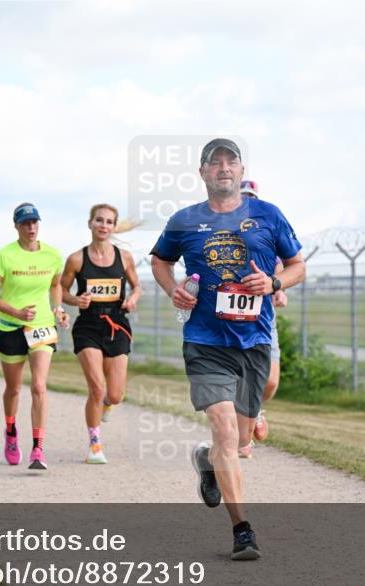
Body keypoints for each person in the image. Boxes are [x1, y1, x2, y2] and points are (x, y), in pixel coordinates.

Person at [150, 138, 305, 560]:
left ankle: (207, 460)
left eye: (230, 161)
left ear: (240, 171)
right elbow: (160, 261)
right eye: (213, 162)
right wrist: (173, 289)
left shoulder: (268, 215)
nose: (223, 168)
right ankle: (242, 530)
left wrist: (274, 283)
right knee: (222, 428)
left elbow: (297, 266)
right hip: (205, 341)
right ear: (202, 173)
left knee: (235, 441)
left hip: (254, 340)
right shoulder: (184, 220)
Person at [0, 203, 69, 470]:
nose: (31, 227)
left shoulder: (53, 255)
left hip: (41, 327)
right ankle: (10, 433)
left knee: (39, 386)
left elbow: (56, 285)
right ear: (16, 226)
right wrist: (16, 311)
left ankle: (38, 449)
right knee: (13, 389)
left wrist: (58, 309)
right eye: (25, 223)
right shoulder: (4, 257)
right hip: (10, 327)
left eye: (34, 222)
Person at [59, 203, 141, 464]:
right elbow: (60, 291)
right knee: (96, 387)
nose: (104, 225)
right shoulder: (76, 259)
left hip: (117, 324)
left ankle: (107, 404)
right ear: (90, 224)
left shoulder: (124, 256)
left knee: (114, 394)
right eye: (99, 220)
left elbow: (137, 286)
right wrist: (75, 301)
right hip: (88, 327)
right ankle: (95, 443)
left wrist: (132, 298)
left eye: (108, 222)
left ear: (114, 227)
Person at [237, 179, 287, 458]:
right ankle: (241, 440)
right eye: (242, 197)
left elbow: (281, 269)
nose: (247, 202)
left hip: (263, 320)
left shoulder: (267, 234)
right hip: (229, 322)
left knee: (268, 382)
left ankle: (254, 411)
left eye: (251, 198)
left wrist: (279, 289)